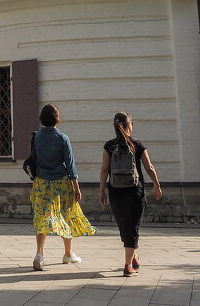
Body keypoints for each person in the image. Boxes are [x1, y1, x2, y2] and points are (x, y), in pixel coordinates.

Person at [29, 103, 96, 270]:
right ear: (57, 119)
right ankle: (68, 254)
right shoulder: (63, 138)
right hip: (62, 183)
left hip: (42, 183)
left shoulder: (36, 137)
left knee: (42, 218)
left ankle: (39, 254)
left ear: (42, 119)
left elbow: (34, 160)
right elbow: (70, 165)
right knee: (67, 216)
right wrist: (77, 187)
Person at [99, 111, 162, 277]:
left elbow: (105, 169)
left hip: (115, 191)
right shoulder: (138, 144)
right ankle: (128, 266)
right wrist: (157, 185)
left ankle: (133, 258)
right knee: (133, 227)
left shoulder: (109, 146)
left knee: (124, 227)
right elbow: (149, 167)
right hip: (135, 191)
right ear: (129, 126)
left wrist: (101, 191)